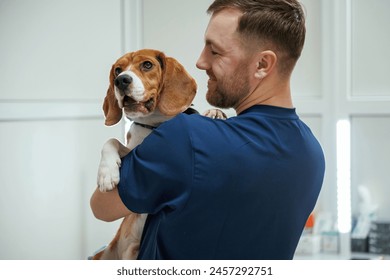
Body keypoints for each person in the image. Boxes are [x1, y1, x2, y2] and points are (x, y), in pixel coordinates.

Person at [90, 0, 325, 260]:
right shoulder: (313, 153)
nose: (200, 62)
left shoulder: (187, 137)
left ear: (262, 65)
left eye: (215, 51)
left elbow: (101, 207)